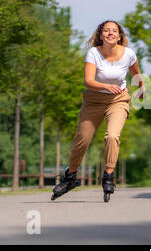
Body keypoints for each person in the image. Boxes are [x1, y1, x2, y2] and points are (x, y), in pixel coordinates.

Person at [51, 20, 144, 202]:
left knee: (112, 136)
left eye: (114, 31)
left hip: (118, 100)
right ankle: (70, 177)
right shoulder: (94, 53)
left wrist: (141, 88)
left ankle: (108, 176)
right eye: (106, 31)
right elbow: (88, 80)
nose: (110, 33)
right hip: (93, 101)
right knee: (82, 141)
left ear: (119, 36)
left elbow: (135, 72)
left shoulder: (129, 54)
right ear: (100, 35)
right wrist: (106, 86)